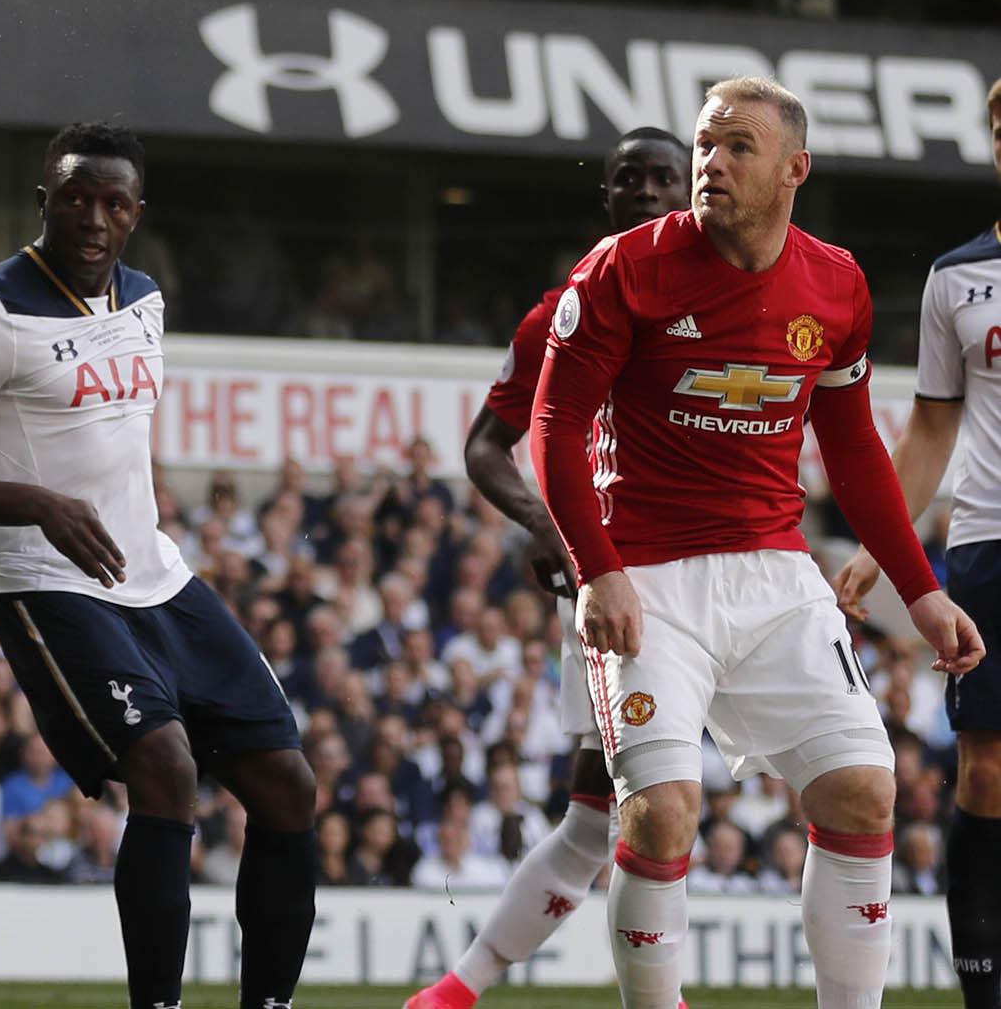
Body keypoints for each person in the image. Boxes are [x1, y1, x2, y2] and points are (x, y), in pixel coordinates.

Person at [534, 76, 983, 1009]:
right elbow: (555, 426)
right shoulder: (623, 268)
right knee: (663, 811)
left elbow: (853, 449)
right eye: (706, 143)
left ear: (794, 170)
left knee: (865, 788)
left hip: (777, 572)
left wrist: (922, 589)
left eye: (739, 146)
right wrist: (597, 570)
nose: (712, 162)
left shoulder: (837, 283)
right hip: (647, 577)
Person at [0, 122, 315, 1009]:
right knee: (165, 769)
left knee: (288, 784)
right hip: (44, 580)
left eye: (113, 202)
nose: (93, 216)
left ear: (136, 214)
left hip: (155, 575)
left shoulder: (145, 298)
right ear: (43, 201)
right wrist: (40, 503)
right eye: (76, 197)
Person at [408, 127, 687, 1009]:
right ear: (606, 195)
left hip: (728, 574)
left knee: (606, 819)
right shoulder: (562, 311)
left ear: (692, 192)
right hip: (618, 585)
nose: (646, 192)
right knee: (625, 809)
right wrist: (541, 520)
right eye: (629, 178)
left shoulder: (739, 296)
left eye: (664, 178)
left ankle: (456, 991)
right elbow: (486, 446)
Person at [834, 74, 1001, 1009]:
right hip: (988, 541)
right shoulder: (957, 276)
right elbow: (931, 430)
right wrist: (879, 546)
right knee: (987, 769)